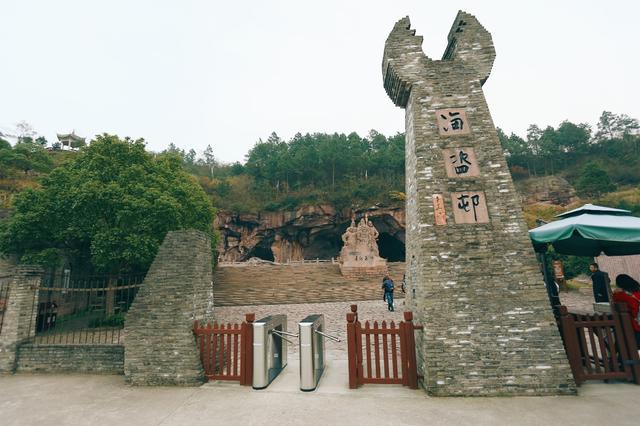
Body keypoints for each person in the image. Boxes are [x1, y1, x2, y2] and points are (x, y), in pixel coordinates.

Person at [612, 274, 640, 349]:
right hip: (635, 329)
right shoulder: (637, 292)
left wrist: (616, 293)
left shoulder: (620, 295)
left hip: (633, 329)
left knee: (622, 344)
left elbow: (634, 311)